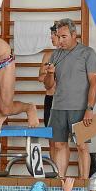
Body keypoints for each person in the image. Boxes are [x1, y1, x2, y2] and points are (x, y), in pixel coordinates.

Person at [43, 18, 96, 179]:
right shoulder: (55, 55)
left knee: (82, 146)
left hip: (81, 108)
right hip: (58, 107)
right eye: (58, 36)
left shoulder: (88, 53)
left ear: (74, 34)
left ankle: (83, 183)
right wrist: (50, 73)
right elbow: (48, 86)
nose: (60, 41)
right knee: (59, 145)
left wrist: (90, 109)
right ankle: (61, 181)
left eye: (64, 37)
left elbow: (95, 84)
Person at [0, 24, 39, 134]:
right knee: (4, 111)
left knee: (6, 108)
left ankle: (29, 107)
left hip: (4, 59)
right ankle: (0, 114)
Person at [38, 22, 60, 160]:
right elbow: (40, 77)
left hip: (69, 101)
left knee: (65, 143)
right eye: (51, 35)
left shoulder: (72, 55)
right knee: (52, 140)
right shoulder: (48, 55)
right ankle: (56, 174)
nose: (52, 38)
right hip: (51, 99)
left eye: (54, 35)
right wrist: (49, 73)